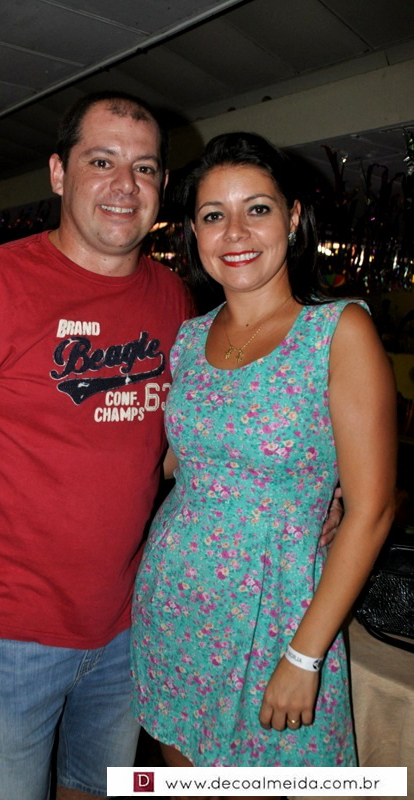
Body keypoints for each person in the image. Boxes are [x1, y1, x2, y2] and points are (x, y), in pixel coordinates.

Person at [0, 97, 341, 800]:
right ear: (58, 173)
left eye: (145, 167)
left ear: (163, 188)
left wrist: (303, 493)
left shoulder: (174, 301)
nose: (125, 184)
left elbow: (178, 448)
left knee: (97, 791)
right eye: (102, 161)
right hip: (7, 634)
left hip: (137, 622)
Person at [130, 132, 396, 779]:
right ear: (194, 233)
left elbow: (373, 510)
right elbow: (176, 464)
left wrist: (304, 656)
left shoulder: (338, 331)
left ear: (292, 217)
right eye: (212, 215)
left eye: (257, 208)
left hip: (275, 618)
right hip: (172, 604)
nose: (235, 233)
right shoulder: (188, 339)